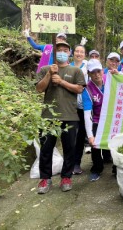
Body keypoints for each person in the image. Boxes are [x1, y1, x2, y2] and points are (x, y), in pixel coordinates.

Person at [36, 41, 86, 194]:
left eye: (65, 50)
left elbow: (79, 89)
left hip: (70, 115)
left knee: (69, 148)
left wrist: (62, 81)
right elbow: (39, 89)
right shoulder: (45, 69)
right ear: (54, 53)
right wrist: (50, 75)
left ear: (69, 53)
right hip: (48, 116)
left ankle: (66, 177)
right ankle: (45, 178)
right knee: (46, 148)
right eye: (59, 50)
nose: (62, 52)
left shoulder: (76, 70)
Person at [82, 59, 110, 182]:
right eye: (93, 72)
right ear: (89, 74)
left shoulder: (110, 82)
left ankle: (117, 168)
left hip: (111, 118)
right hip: (97, 120)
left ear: (102, 71)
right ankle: (97, 168)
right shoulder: (87, 90)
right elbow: (87, 113)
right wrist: (90, 135)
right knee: (95, 146)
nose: (97, 74)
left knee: (116, 143)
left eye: (98, 71)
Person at [71, 45, 89, 175]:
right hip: (69, 106)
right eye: (77, 51)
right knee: (70, 136)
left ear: (85, 54)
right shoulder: (68, 66)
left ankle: (76, 163)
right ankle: (69, 163)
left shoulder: (88, 66)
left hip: (83, 106)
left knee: (80, 135)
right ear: (73, 53)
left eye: (81, 51)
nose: (79, 53)